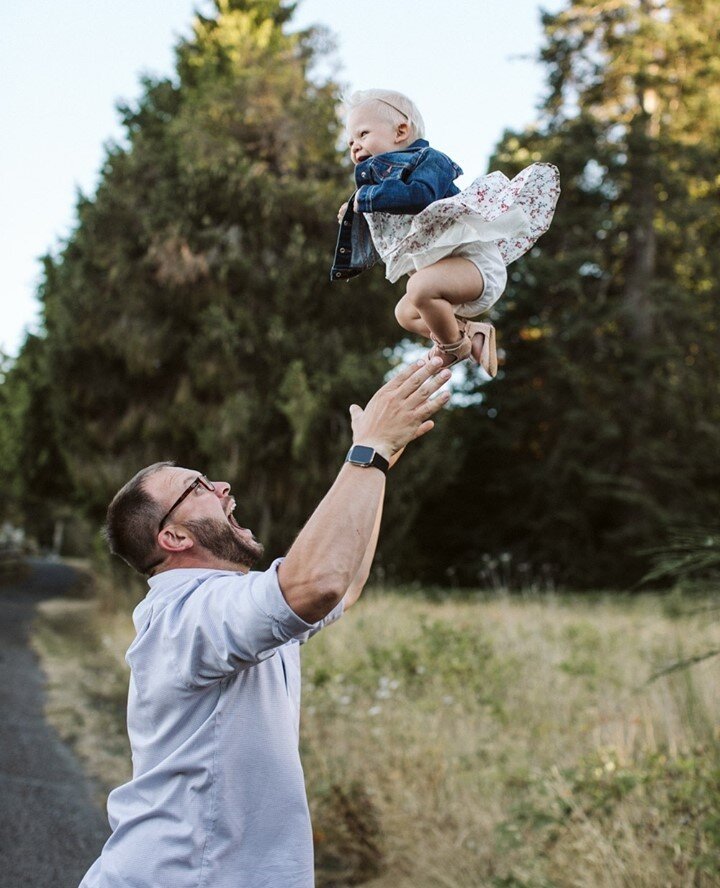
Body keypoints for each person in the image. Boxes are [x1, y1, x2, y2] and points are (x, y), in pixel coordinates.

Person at [79, 357, 451, 888]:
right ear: (175, 537)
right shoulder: (188, 614)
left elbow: (341, 585)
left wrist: (381, 459)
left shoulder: (229, 606)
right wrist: (365, 453)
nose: (224, 485)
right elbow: (313, 584)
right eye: (200, 486)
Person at [331, 88, 561, 372]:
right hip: (444, 280)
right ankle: (470, 334)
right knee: (405, 314)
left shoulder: (429, 160)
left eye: (363, 134)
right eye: (350, 141)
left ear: (401, 131)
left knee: (418, 288)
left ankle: (452, 349)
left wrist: (366, 200)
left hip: (475, 267)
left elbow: (420, 196)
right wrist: (358, 214)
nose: (354, 146)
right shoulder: (381, 192)